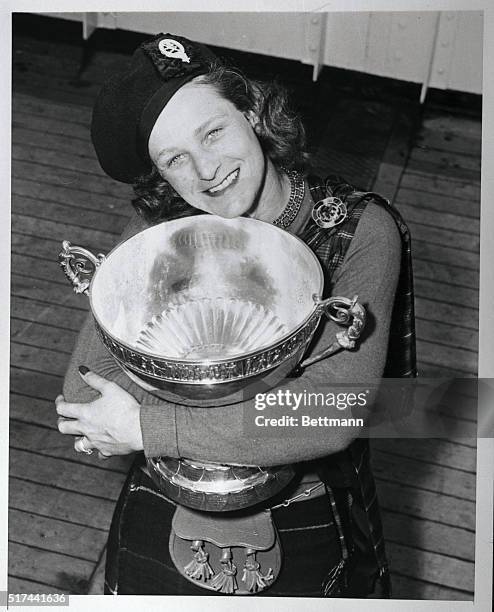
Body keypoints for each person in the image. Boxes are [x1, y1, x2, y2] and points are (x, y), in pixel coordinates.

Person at [55, 32, 416, 597]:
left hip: (309, 505)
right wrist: (270, 416)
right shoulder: (163, 228)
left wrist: (150, 425)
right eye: (175, 158)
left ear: (251, 111)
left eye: (213, 131)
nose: (207, 171)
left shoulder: (359, 230)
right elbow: (83, 400)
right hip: (168, 492)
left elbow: (337, 411)